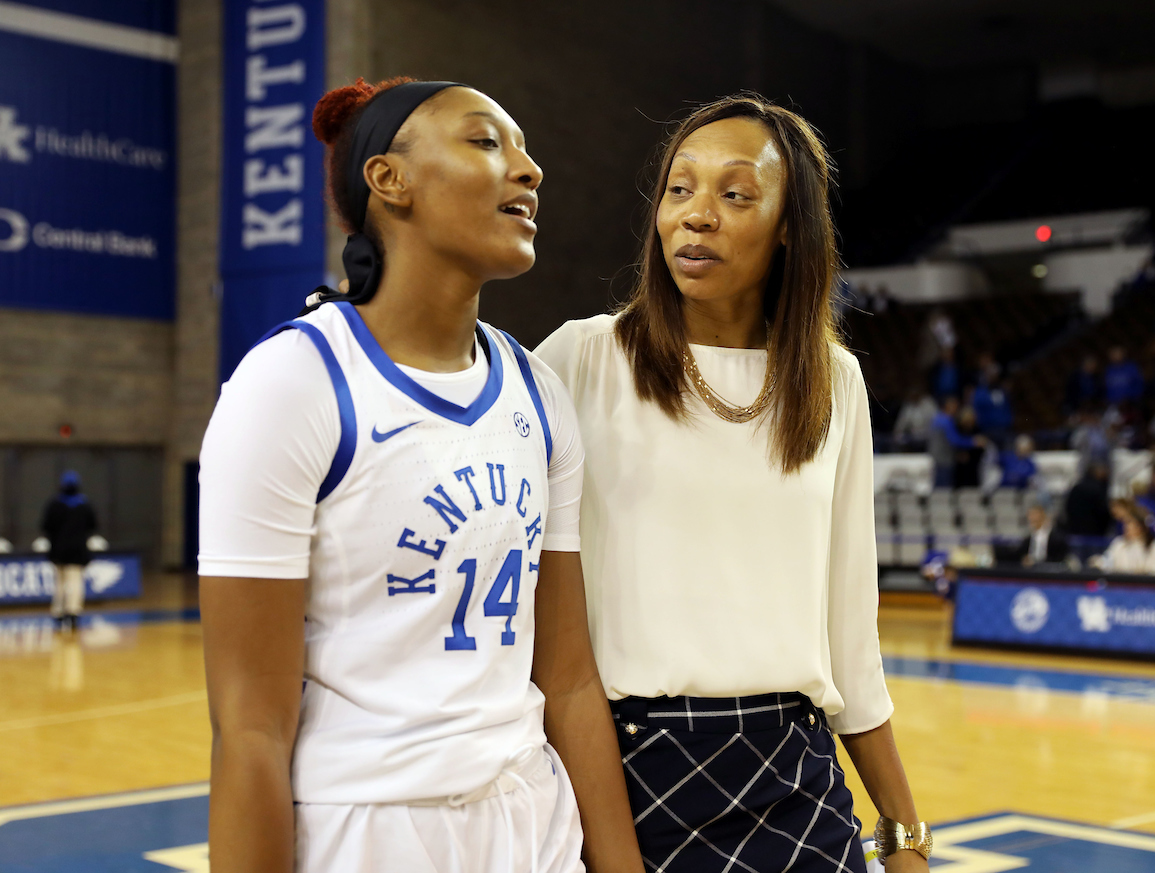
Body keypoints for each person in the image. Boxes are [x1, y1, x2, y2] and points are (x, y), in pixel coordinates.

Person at [198, 78, 640, 873]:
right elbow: (249, 728)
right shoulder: (292, 382)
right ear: (388, 180)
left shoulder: (538, 393)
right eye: (486, 141)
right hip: (367, 828)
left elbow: (570, 683)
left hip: (532, 817)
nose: (530, 169)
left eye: (525, 147)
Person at [537, 95, 930, 873]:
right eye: (679, 190)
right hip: (627, 776)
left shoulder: (835, 380)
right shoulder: (579, 358)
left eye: (735, 193)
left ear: (790, 225)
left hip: (797, 778)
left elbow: (851, 641)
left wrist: (904, 838)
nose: (696, 215)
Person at [40, 470, 97, 632]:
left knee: (59, 583)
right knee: (75, 582)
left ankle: (58, 613)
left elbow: (45, 526)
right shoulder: (84, 505)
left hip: (58, 551)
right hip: (77, 551)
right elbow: (93, 525)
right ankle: (73, 613)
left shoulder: (54, 504)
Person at [1090, 502, 1155, 574]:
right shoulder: (1119, 543)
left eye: (1130, 523)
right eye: (1125, 523)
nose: (1126, 527)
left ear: (1142, 527)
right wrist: (1098, 562)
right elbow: (1108, 561)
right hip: (1122, 589)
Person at [929, 396, 985, 489]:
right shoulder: (946, 421)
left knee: (938, 489)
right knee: (944, 491)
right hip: (944, 461)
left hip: (936, 459)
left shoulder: (937, 418)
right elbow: (955, 440)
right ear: (948, 406)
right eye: (955, 407)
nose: (957, 410)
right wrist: (973, 442)